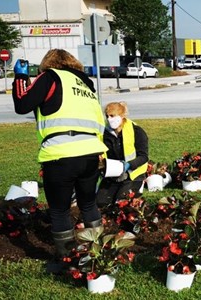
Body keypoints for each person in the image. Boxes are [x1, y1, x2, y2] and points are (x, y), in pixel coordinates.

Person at [11, 49, 108, 270]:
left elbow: (22, 105)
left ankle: (67, 260)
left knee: (60, 210)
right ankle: (97, 251)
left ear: (48, 63)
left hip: (60, 154)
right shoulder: (86, 85)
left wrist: (20, 79)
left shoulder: (50, 77)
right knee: (88, 203)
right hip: (91, 153)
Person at [96, 101, 149, 208]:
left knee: (122, 203)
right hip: (112, 174)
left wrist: (129, 165)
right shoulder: (104, 133)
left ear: (121, 115)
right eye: (107, 116)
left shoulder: (136, 131)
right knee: (100, 203)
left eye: (112, 115)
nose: (109, 119)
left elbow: (143, 156)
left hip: (132, 174)